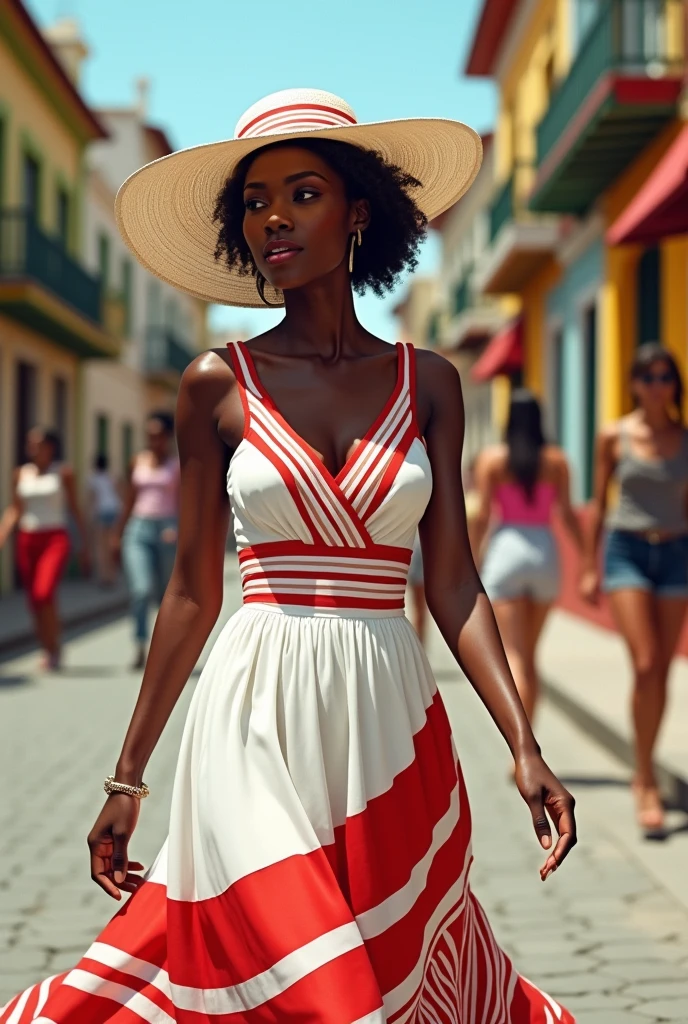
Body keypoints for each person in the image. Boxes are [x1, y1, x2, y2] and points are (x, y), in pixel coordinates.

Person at [0, 89, 577, 1024]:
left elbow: (455, 580)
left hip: (390, 715)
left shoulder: (429, 382)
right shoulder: (214, 386)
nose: (273, 216)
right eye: (256, 199)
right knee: (324, 990)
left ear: (359, 212)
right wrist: (127, 777)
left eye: (302, 192)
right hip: (255, 711)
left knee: (384, 976)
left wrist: (524, 743)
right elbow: (189, 594)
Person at [581, 343, 688, 837]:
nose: (656, 384)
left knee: (661, 671)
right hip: (625, 552)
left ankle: (644, 765)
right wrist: (587, 566)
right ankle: (644, 778)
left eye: (665, 376)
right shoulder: (613, 435)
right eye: (647, 376)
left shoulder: (684, 439)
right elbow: (599, 502)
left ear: (675, 384)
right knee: (644, 662)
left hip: (675, 555)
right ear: (633, 383)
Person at [471, 390, 583, 725]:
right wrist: (588, 558)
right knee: (531, 657)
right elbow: (567, 514)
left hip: (506, 549)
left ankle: (521, 747)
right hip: (545, 553)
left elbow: (480, 516)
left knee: (514, 656)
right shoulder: (556, 461)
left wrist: (474, 558)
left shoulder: (492, 459)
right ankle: (530, 742)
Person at [0, 427, 89, 670]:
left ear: (50, 446)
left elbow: (74, 508)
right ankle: (47, 646)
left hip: (55, 539)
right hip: (28, 540)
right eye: (30, 443)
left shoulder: (63, 472)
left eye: (37, 443)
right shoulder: (20, 473)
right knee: (34, 601)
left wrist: (84, 544)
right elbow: (15, 509)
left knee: (44, 592)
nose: (32, 447)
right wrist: (3, 533)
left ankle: (55, 645)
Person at [113, 411, 180, 670]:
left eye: (159, 436)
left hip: (166, 529)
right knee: (140, 590)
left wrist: (179, 530)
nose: (154, 441)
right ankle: (140, 645)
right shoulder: (137, 461)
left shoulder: (176, 466)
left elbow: (182, 502)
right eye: (150, 436)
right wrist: (117, 534)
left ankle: (164, 651)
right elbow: (129, 499)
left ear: (167, 436)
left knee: (165, 595)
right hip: (137, 528)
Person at [88, 453, 122, 587]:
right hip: (114, 510)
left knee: (101, 547)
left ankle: (104, 576)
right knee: (111, 544)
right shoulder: (111, 477)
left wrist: (90, 516)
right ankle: (112, 575)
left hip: (101, 512)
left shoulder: (93, 479)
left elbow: (92, 499)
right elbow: (119, 493)